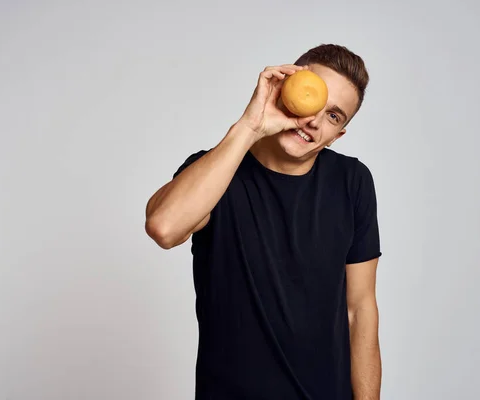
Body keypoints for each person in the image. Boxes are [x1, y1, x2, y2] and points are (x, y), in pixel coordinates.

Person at [145, 43, 382, 400]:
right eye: (314, 99)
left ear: (338, 135)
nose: (315, 121)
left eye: (334, 116)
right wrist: (251, 125)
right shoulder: (217, 171)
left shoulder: (352, 181)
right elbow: (164, 227)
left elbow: (359, 309)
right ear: (286, 87)